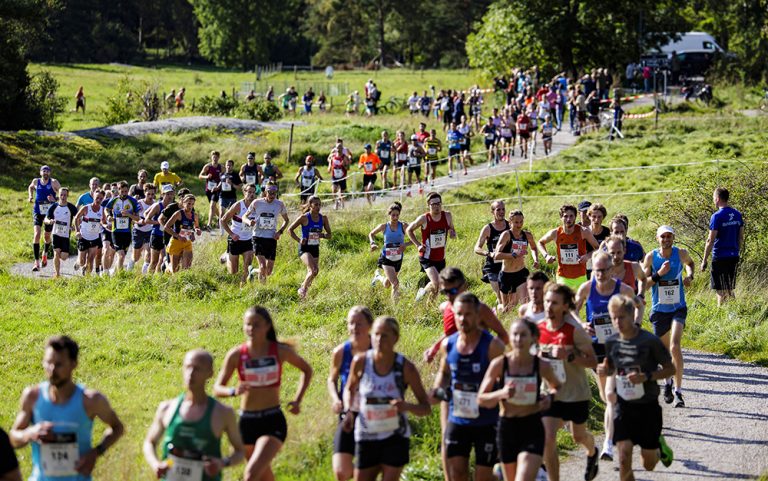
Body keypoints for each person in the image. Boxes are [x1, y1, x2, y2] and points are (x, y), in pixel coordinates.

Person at [213, 307, 313, 481]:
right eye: (248, 325)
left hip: (272, 420)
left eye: (256, 325)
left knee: (251, 475)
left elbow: (307, 370)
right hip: (246, 422)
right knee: (263, 476)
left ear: (267, 326)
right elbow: (217, 388)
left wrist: (297, 400)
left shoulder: (280, 351)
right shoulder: (236, 354)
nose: (251, 329)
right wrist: (234, 391)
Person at [9, 335, 124, 481]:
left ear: (74, 364)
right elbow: (13, 437)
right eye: (48, 363)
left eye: (58, 364)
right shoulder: (32, 396)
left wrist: (96, 453)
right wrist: (30, 433)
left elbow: (117, 428)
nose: (52, 369)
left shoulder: (91, 400)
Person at [342, 316, 431, 481]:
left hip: (395, 436)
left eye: (384, 335)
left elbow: (426, 408)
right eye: (376, 334)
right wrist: (348, 411)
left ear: (395, 338)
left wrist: (406, 406)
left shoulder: (406, 368)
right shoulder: (361, 361)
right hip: (367, 434)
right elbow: (349, 389)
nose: (378, 340)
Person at [597, 295, 676, 479]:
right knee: (624, 458)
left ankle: (657, 447)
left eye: (621, 317)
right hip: (623, 406)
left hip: (647, 407)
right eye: (613, 318)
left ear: (632, 315)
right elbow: (611, 367)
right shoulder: (612, 342)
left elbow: (670, 369)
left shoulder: (649, 341)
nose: (617, 322)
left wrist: (646, 376)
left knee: (648, 464)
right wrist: (605, 369)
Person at [430, 293, 506, 481]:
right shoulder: (448, 344)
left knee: (483, 477)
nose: (463, 319)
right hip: (458, 418)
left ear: (478, 315)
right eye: (459, 314)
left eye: (468, 314)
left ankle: (497, 476)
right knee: (457, 473)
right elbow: (445, 373)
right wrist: (438, 390)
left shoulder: (493, 346)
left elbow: (505, 380)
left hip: (487, 421)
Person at [575, 251, 641, 462]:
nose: (600, 274)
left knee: (611, 396)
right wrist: (582, 325)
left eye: (604, 270)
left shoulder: (622, 289)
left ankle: (608, 444)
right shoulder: (586, 288)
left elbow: (639, 305)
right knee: (606, 396)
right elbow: (572, 312)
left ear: (611, 270)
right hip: (595, 349)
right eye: (596, 271)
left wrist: (635, 326)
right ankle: (620, 418)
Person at [478, 318, 561, 481]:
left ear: (533, 338)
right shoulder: (499, 364)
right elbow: (481, 398)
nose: (518, 339)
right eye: (515, 335)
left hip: (532, 426)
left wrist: (549, 398)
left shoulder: (541, 365)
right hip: (507, 428)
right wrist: (501, 393)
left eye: (523, 335)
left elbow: (557, 386)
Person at [143, 349, 245, 481]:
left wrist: (222, 463)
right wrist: (155, 464)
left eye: (197, 369)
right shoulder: (167, 408)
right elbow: (149, 442)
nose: (190, 374)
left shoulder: (223, 413)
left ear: (210, 373)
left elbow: (240, 452)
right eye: (188, 367)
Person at [538, 283, 599, 481]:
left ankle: (592, 452)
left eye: (554, 302)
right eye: (547, 301)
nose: (549, 306)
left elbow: (592, 361)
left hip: (575, 393)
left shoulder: (574, 331)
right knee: (547, 438)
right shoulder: (538, 329)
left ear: (565, 306)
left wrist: (570, 356)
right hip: (550, 394)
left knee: (578, 437)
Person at [642, 225, 695, 408]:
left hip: (678, 308)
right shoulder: (651, 257)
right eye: (663, 237)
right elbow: (645, 285)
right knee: (664, 352)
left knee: (675, 346)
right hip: (659, 310)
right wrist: (659, 274)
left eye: (669, 236)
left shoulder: (680, 253)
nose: (666, 239)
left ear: (673, 238)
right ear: (657, 239)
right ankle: (668, 383)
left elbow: (690, 263)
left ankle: (678, 392)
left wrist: (690, 276)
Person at [327, 307, 374, 481]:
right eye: (351, 323)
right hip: (348, 413)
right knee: (341, 472)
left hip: (374, 415)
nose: (354, 327)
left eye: (359, 323)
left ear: (369, 326)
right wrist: (335, 399)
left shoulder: (379, 350)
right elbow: (331, 380)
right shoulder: (340, 352)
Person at [407, 192, 457, 301]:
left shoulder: (447, 215)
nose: (436, 206)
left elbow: (451, 229)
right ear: (428, 205)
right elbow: (409, 230)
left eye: (438, 203)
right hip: (427, 257)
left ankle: (428, 304)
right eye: (433, 204)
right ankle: (422, 294)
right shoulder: (424, 218)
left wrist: (452, 233)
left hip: (440, 257)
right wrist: (418, 245)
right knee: (436, 282)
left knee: (437, 287)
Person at [537, 204, 599, 291]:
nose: (568, 219)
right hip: (563, 276)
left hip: (580, 276)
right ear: (561, 217)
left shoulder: (583, 231)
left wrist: (587, 256)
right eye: (565, 216)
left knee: (581, 304)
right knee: (564, 303)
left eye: (571, 216)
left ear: (575, 217)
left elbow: (598, 248)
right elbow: (540, 242)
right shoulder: (555, 233)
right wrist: (546, 256)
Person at [701, 187, 744, 306]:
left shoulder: (717, 216)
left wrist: (704, 260)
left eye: (714, 198)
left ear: (718, 199)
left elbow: (710, 240)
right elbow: (740, 237)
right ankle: (734, 312)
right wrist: (736, 251)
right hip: (733, 256)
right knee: (729, 288)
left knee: (720, 290)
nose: (714, 200)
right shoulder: (737, 214)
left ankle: (721, 315)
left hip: (720, 256)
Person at [494, 210, 540, 313]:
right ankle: (499, 308)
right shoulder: (506, 235)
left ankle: (527, 325)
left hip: (521, 273)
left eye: (521, 222)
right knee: (508, 308)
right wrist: (513, 255)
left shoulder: (527, 235)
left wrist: (536, 259)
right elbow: (497, 255)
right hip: (507, 275)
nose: (519, 225)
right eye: (516, 222)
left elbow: (534, 248)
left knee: (526, 303)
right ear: (510, 222)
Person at [243, 182, 289, 284]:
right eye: (270, 192)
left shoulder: (280, 204)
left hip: (272, 238)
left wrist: (280, 232)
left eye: (274, 193)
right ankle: (262, 290)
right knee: (263, 266)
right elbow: (244, 216)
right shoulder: (256, 203)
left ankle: (252, 271)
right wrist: (249, 222)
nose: (272, 195)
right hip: (258, 237)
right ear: (265, 192)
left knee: (268, 272)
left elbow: (286, 220)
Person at [288, 195, 332, 299]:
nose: (318, 207)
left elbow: (329, 235)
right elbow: (290, 230)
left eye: (320, 204)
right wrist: (299, 240)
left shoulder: (323, 218)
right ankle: (302, 289)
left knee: (314, 272)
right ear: (310, 205)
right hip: (304, 248)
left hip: (315, 247)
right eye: (316, 204)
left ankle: (304, 295)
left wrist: (322, 235)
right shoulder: (304, 218)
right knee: (314, 270)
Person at [369, 202, 411, 301]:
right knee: (395, 283)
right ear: (389, 214)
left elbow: (414, 239)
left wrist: (405, 244)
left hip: (398, 258)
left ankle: (378, 276)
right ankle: (394, 310)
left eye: (397, 215)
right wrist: (372, 243)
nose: (395, 217)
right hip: (386, 258)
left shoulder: (404, 226)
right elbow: (371, 234)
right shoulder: (383, 226)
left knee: (387, 284)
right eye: (393, 215)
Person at [474, 200, 509, 308]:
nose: (502, 212)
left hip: (508, 266)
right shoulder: (488, 228)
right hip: (493, 268)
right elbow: (477, 248)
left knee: (509, 299)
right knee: (501, 297)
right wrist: (488, 253)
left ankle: (498, 311)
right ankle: (500, 317)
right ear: (492, 212)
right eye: (498, 209)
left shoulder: (510, 225)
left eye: (503, 209)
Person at [221, 183, 257, 284]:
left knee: (248, 265)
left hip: (249, 240)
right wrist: (232, 234)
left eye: (254, 192)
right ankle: (227, 256)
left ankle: (243, 285)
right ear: (244, 192)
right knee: (233, 271)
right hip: (235, 239)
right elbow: (223, 220)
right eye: (249, 192)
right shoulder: (238, 205)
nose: (251, 194)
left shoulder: (256, 206)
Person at [28, 165, 61, 272]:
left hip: (49, 213)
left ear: (49, 173)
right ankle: (36, 262)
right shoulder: (36, 181)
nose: (45, 173)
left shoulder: (54, 182)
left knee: (47, 236)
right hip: (38, 211)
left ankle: (45, 254)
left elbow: (63, 196)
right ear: (40, 172)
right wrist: (30, 196)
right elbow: (30, 187)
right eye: (43, 171)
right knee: (37, 234)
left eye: (47, 171)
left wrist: (54, 198)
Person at [105, 181, 141, 273]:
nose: (124, 194)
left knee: (122, 256)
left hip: (127, 232)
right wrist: (108, 216)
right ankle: (119, 276)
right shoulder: (114, 200)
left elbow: (137, 218)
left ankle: (114, 273)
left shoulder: (133, 201)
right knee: (120, 255)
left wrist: (129, 214)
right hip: (116, 231)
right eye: (122, 192)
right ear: (118, 190)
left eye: (126, 191)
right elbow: (106, 209)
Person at [43, 187, 78, 278]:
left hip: (66, 235)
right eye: (61, 195)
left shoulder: (71, 207)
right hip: (56, 233)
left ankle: (58, 258)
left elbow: (78, 218)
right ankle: (57, 274)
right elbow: (45, 219)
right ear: (58, 195)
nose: (63, 197)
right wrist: (49, 221)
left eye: (65, 195)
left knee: (64, 257)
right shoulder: (54, 206)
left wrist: (75, 226)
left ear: (67, 195)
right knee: (56, 252)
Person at [163, 194, 202, 273]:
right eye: (188, 203)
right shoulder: (178, 214)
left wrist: (197, 230)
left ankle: (185, 284)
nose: (190, 206)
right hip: (176, 242)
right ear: (183, 203)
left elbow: (196, 226)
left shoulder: (195, 215)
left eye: (192, 204)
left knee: (186, 269)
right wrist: (178, 236)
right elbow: (166, 227)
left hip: (187, 243)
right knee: (175, 270)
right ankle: (167, 266)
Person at [143, 185, 175, 274]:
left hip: (168, 236)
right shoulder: (158, 206)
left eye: (171, 194)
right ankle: (149, 280)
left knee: (164, 259)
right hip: (157, 235)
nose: (169, 196)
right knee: (154, 261)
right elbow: (147, 219)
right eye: (167, 194)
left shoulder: (174, 206)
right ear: (162, 194)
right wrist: (159, 222)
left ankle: (158, 278)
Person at [73, 189, 106, 276]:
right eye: (97, 198)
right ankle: (78, 263)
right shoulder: (86, 208)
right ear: (93, 197)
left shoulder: (102, 210)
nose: (98, 200)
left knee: (91, 259)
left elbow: (104, 222)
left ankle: (87, 279)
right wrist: (77, 231)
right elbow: (76, 218)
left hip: (94, 237)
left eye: (101, 199)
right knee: (82, 261)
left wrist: (107, 225)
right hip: (83, 236)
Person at [130, 183, 155, 272]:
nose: (150, 196)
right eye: (148, 194)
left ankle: (144, 274)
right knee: (136, 257)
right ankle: (130, 265)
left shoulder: (155, 204)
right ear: (144, 193)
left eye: (152, 194)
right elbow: (133, 216)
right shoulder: (139, 203)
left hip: (149, 231)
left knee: (148, 252)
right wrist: (139, 221)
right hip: (138, 230)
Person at [199, 151, 223, 231]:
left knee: (212, 205)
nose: (215, 159)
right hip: (208, 189)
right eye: (213, 157)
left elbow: (224, 177)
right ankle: (221, 218)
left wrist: (219, 185)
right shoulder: (207, 166)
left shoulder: (221, 167)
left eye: (216, 157)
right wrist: (206, 176)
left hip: (217, 189)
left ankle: (209, 224)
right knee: (213, 207)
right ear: (211, 157)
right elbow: (200, 176)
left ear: (218, 158)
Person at [585, 203, 610, 278]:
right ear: (589, 216)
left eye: (599, 217)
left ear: (603, 217)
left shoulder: (607, 232)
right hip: (586, 266)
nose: (596, 220)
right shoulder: (584, 231)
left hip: (602, 266)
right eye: (594, 216)